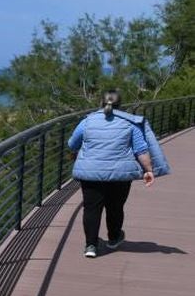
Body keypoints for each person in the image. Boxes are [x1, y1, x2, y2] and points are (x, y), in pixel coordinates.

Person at [67, 89, 169, 258]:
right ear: (120, 104)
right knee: (115, 207)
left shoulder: (87, 121)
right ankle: (114, 238)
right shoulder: (130, 123)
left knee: (91, 209)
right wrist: (149, 170)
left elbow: (72, 144)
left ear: (101, 102)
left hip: (91, 173)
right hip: (121, 175)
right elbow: (141, 150)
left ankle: (91, 245)